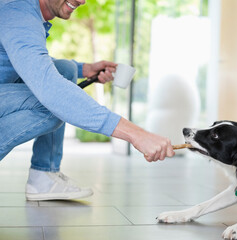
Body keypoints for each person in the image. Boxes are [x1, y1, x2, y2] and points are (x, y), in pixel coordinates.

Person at [0, 0, 175, 201]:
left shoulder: (25, 12)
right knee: (53, 104)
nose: (81, 0)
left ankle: (43, 176)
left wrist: (85, 69)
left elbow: (28, 62)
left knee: (66, 69)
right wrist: (136, 134)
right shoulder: (16, 10)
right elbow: (49, 87)